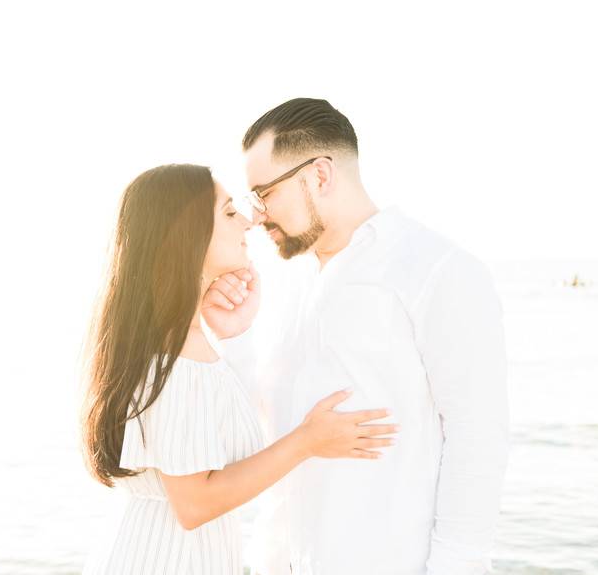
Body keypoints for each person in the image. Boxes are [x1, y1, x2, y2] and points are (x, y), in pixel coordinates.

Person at [202, 98, 510, 574]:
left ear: (319, 175)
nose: (257, 216)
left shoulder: (437, 270)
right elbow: (260, 431)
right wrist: (234, 336)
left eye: (265, 193)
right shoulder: (287, 283)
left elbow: (478, 437)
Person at [80, 163, 399, 574]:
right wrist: (308, 440)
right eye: (230, 213)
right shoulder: (179, 357)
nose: (249, 222)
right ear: (187, 237)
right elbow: (195, 504)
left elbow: (218, 448)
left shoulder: (177, 342)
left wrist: (235, 334)